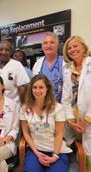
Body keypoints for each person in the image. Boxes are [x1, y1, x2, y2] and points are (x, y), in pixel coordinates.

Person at [20, 74, 72, 172]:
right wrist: (36, 153)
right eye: (34, 87)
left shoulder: (57, 108)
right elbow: (26, 133)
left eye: (41, 87)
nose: (37, 91)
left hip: (57, 151)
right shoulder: (25, 108)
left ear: (47, 89)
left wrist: (55, 156)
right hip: (35, 149)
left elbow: (59, 134)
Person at [61, 36, 91, 171]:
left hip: (87, 119)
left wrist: (86, 120)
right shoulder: (68, 69)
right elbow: (66, 98)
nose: (72, 50)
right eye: (69, 48)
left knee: (89, 154)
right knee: (80, 153)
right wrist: (70, 119)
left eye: (75, 46)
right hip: (75, 121)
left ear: (83, 47)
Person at [0, 40, 30, 104]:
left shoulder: (17, 65)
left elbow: (21, 89)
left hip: (13, 107)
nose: (4, 52)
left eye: (7, 50)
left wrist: (24, 106)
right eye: (1, 49)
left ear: (11, 52)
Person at [32, 32, 64, 102]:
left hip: (61, 106)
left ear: (57, 46)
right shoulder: (37, 64)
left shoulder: (65, 63)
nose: (48, 46)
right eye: (45, 43)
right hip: (42, 104)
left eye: (52, 42)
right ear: (42, 47)